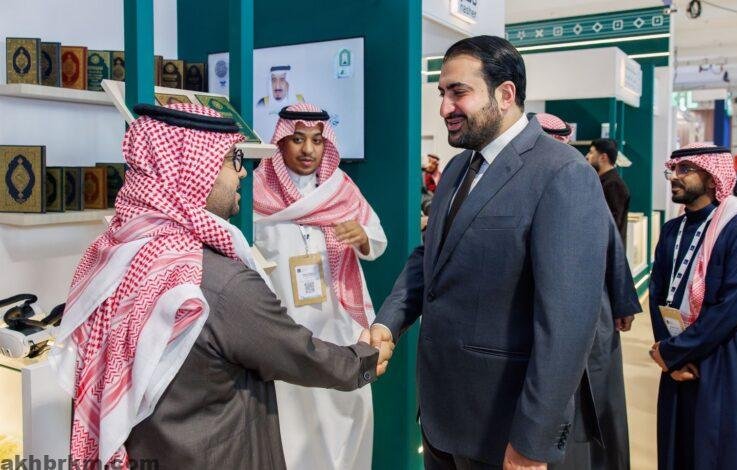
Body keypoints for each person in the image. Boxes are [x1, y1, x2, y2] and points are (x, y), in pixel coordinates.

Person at [48, 103, 390, 469]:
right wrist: (364, 360)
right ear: (194, 170)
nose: (241, 172)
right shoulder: (217, 281)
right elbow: (293, 350)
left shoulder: (113, 252)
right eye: (231, 160)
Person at [371, 35, 613, 469]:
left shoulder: (563, 173)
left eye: (458, 92)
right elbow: (429, 259)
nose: (445, 107)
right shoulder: (457, 169)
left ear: (505, 94)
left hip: (504, 433)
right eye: (442, 93)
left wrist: (533, 443)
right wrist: (388, 322)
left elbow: (567, 327)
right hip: (441, 418)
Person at [253, 102, 387, 470]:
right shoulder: (257, 190)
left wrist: (362, 236)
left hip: (336, 324)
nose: (308, 150)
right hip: (284, 328)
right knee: (292, 415)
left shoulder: (339, 188)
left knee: (348, 408)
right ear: (281, 142)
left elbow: (377, 239)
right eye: (298, 139)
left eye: (316, 140)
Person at [648, 143, 737, 470]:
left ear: (711, 177)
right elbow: (658, 295)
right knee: (678, 448)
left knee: (722, 452)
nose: (674, 177)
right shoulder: (672, 230)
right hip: (679, 363)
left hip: (726, 362)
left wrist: (675, 352)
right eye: (672, 170)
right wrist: (669, 354)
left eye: (684, 169)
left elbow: (730, 310)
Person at [535, 112, 640, 470]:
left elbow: (611, 242)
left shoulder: (578, 177)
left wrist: (622, 302)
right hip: (543, 309)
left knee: (589, 399)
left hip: (590, 309)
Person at [587, 139, 630, 244]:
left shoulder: (613, 184)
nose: (587, 156)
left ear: (603, 157)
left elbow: (611, 223)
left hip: (606, 249)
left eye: (591, 152)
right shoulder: (603, 181)